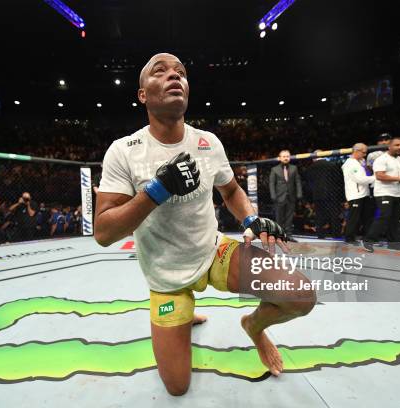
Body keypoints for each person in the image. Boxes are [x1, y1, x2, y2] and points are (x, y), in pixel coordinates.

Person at [94, 53, 315, 396]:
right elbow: (104, 233)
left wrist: (251, 218)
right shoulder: (124, 151)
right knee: (177, 387)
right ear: (142, 94)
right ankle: (184, 308)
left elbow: (231, 191)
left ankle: (254, 327)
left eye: (180, 72)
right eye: (161, 71)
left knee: (301, 296)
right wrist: (157, 189)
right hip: (166, 278)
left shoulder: (207, 142)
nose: (174, 76)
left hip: (214, 253)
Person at [363, 136, 400, 252]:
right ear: (390, 146)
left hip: (397, 193)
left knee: (395, 219)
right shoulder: (381, 159)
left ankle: (393, 243)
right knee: (384, 216)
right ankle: (368, 240)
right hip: (384, 192)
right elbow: (379, 176)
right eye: (397, 145)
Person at [304, 151, 344, 239]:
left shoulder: (310, 168)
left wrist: (309, 199)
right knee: (334, 214)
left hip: (318, 195)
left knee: (319, 215)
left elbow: (308, 185)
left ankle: (320, 234)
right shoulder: (332, 165)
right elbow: (339, 181)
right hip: (332, 194)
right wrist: (341, 197)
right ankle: (336, 234)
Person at [342, 143, 375, 243]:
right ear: (356, 151)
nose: (365, 155)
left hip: (364, 193)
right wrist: (377, 177)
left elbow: (365, 175)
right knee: (354, 217)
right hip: (356, 194)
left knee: (366, 216)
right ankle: (349, 238)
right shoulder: (350, 163)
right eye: (363, 152)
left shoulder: (360, 161)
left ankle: (366, 237)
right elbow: (360, 179)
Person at [269, 150, 302, 241]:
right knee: (279, 217)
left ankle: (289, 235)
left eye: (287, 156)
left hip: (291, 196)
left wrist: (299, 193)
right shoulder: (274, 169)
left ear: (290, 157)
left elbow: (297, 182)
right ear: (280, 158)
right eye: (284, 156)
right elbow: (272, 183)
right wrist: (273, 195)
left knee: (289, 217)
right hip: (279, 197)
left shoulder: (294, 168)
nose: (286, 158)